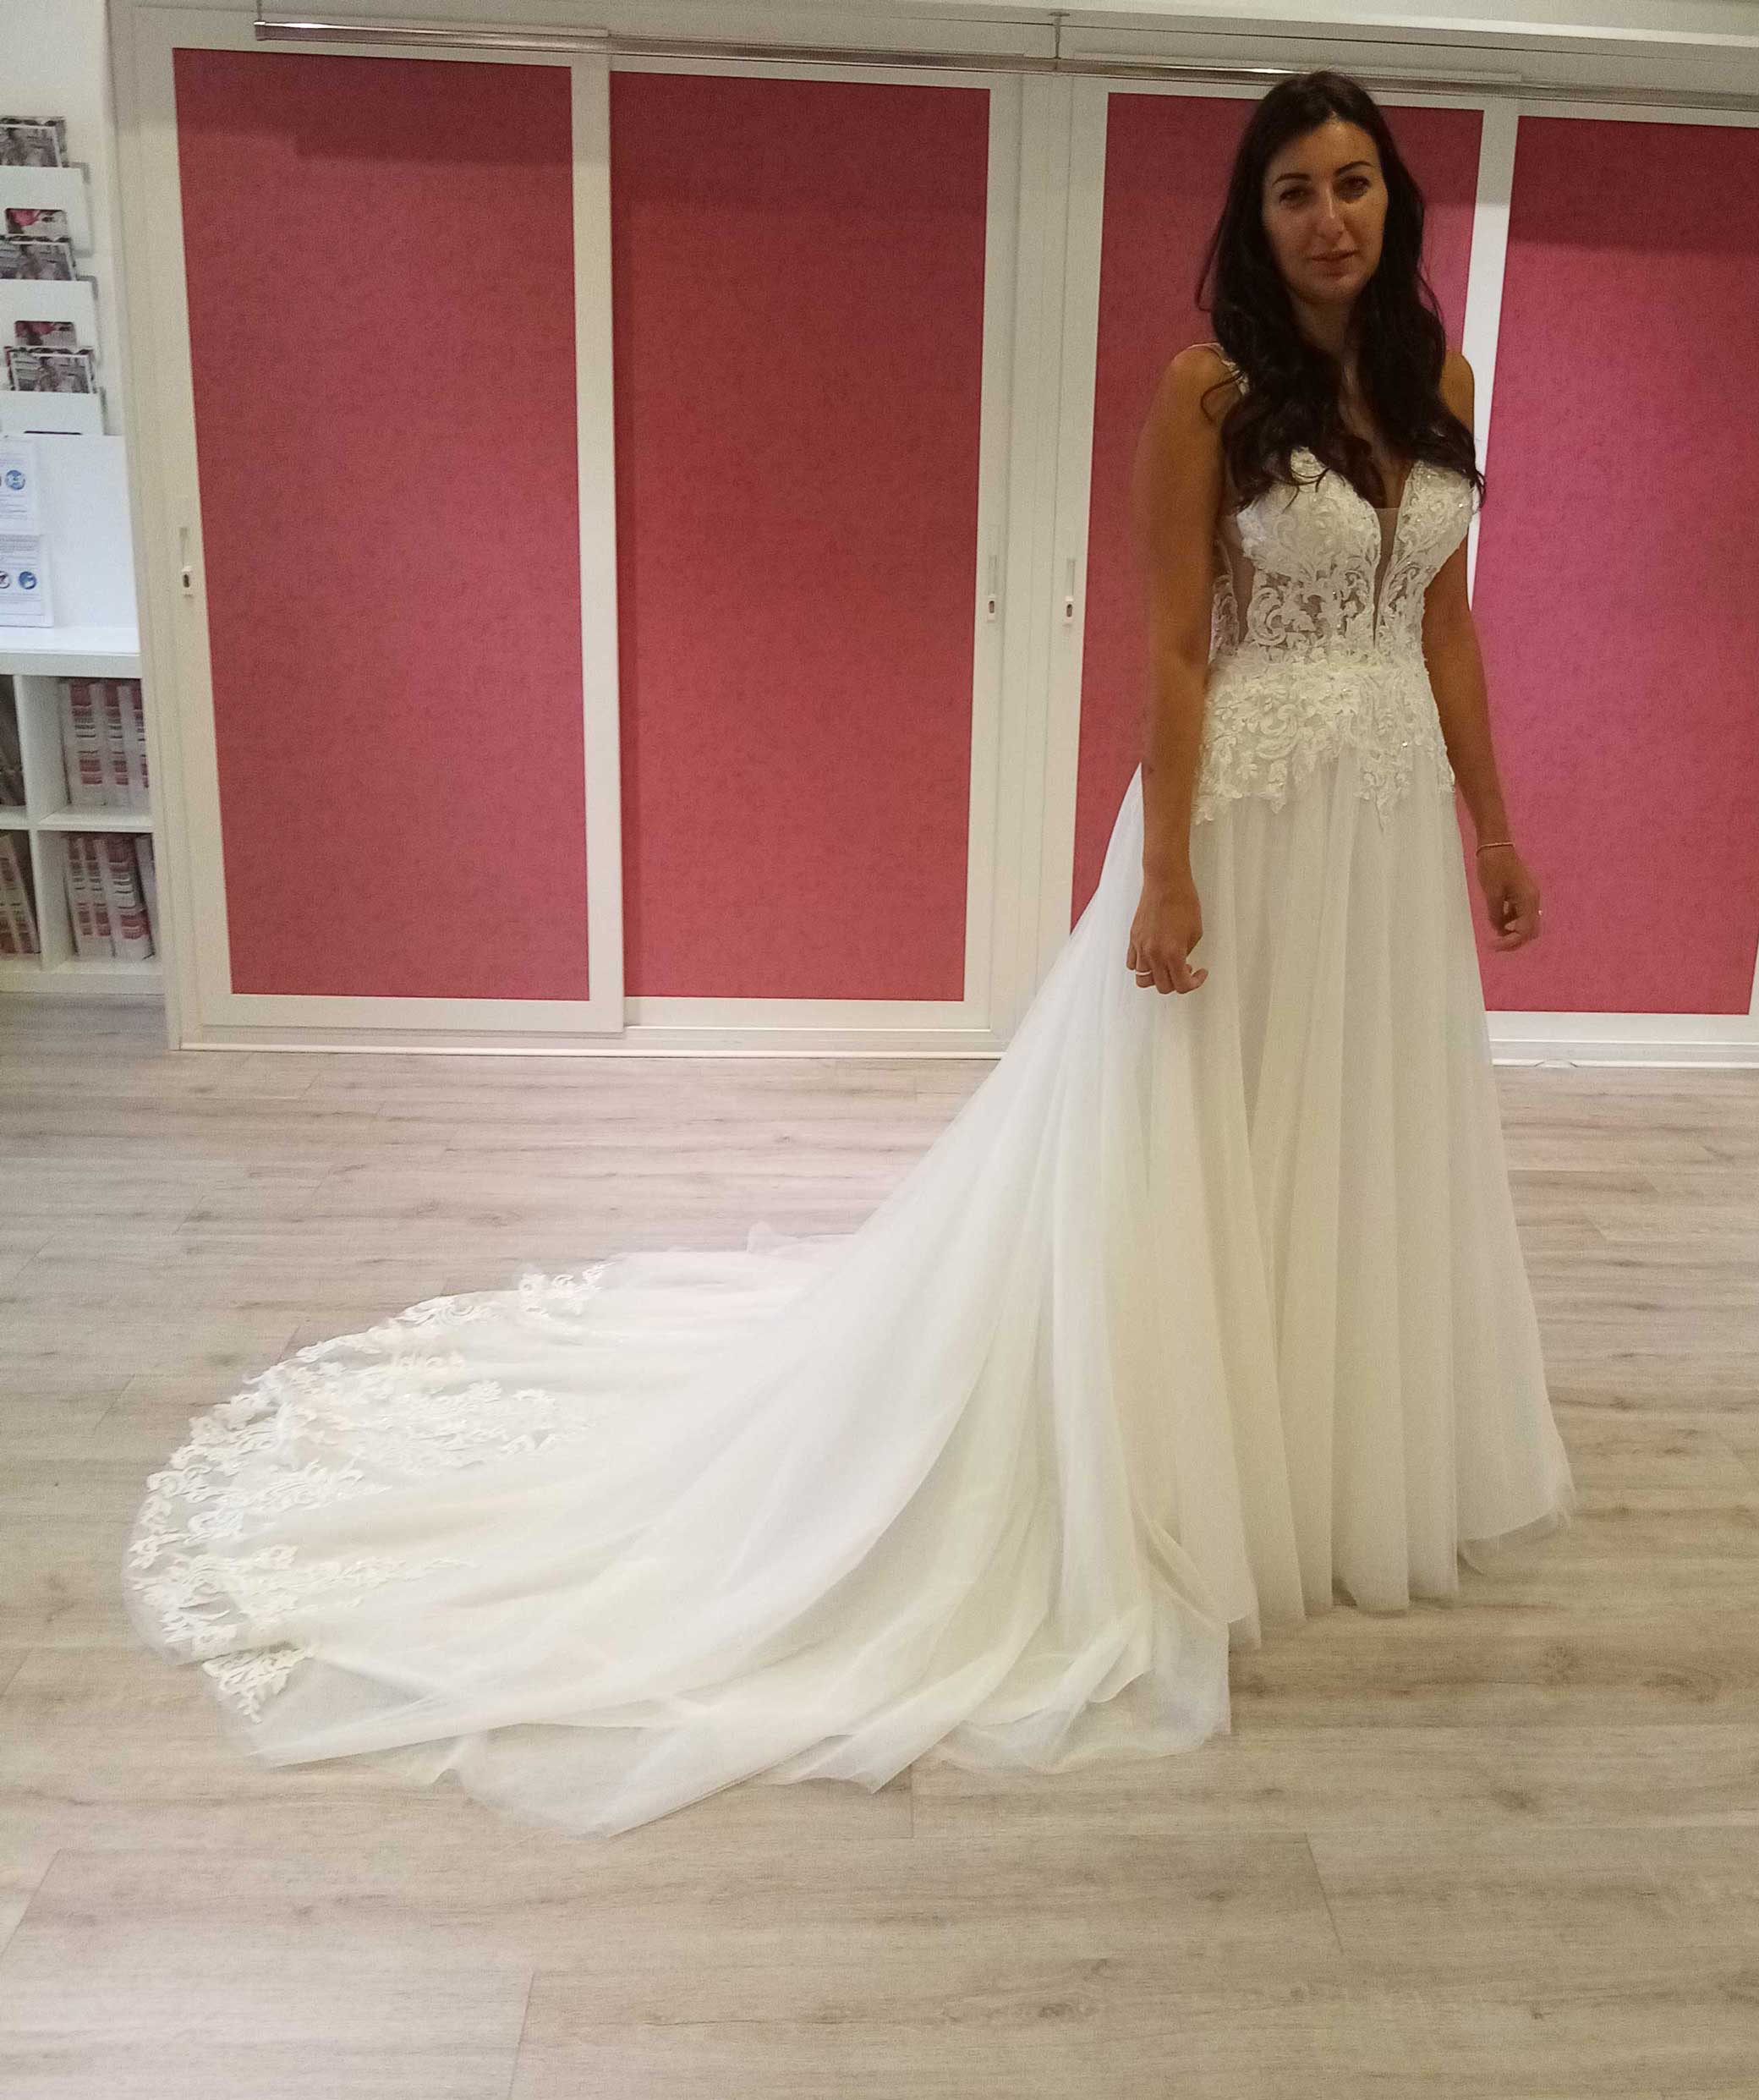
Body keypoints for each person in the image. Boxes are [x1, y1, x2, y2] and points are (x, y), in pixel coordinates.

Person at [121, 69, 1576, 1840]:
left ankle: (1326, 1465)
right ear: (1252, 219)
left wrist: (1493, 828)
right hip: (1255, 819)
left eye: (1353, 183)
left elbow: (1445, 626)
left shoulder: (1443, 383)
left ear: (1394, 199)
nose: (1329, 217)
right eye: (1294, 191)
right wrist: (1167, 874)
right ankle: (1182, 1471)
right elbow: (1177, 649)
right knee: (1197, 1138)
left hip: (1384, 829)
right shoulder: (1208, 393)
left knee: (1345, 1139)